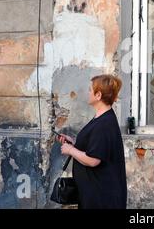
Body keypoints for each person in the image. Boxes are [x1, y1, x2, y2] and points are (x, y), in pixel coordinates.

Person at [57, 74, 127, 209]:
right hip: (94, 193)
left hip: (101, 197)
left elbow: (93, 160)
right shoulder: (101, 118)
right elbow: (95, 146)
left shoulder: (104, 124)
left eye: (90, 90)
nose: (88, 92)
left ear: (98, 95)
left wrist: (71, 150)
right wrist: (73, 142)